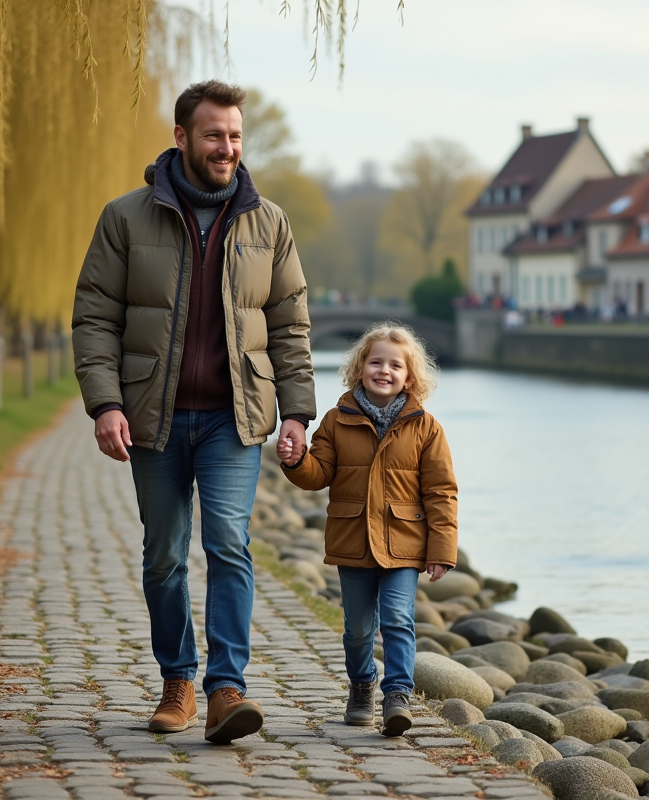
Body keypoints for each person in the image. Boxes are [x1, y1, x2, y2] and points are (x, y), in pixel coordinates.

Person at [71, 80, 315, 744]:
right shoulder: (126, 217)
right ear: (181, 138)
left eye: (235, 136)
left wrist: (297, 413)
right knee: (164, 556)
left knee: (229, 545)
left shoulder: (269, 222)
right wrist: (105, 404)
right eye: (214, 135)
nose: (227, 148)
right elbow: (95, 318)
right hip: (155, 417)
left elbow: (290, 326)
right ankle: (177, 680)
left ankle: (226, 689)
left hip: (233, 421)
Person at [276, 324, 457, 736]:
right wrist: (295, 460)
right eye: (376, 362)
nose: (385, 371)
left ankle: (397, 696)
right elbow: (317, 474)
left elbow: (442, 492)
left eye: (396, 365)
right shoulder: (337, 421)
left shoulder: (426, 428)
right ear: (360, 368)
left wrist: (441, 549)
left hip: (404, 544)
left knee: (397, 620)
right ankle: (361, 688)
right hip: (353, 541)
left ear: (410, 377)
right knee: (357, 628)